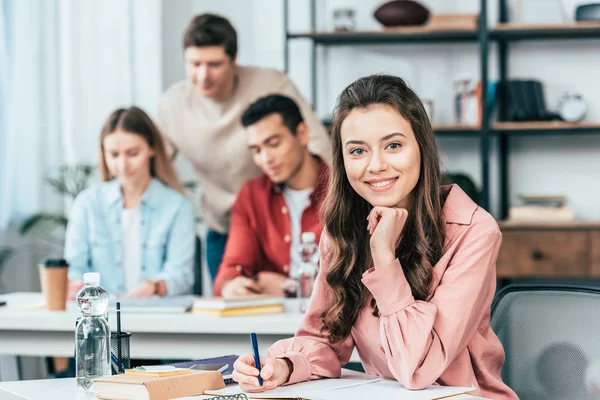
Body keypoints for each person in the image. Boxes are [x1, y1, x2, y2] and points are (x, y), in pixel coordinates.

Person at [231, 75, 518, 399]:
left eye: (393, 145)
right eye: (357, 151)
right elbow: (326, 340)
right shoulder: (341, 232)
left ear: (421, 147)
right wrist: (282, 366)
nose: (376, 165)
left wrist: (384, 256)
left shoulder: (474, 232)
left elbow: (418, 368)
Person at [157, 13, 331, 281]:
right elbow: (155, 169)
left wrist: (336, 202)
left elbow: (319, 146)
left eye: (214, 64)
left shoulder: (270, 84)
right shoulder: (172, 106)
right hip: (223, 226)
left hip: (279, 217)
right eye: (194, 64)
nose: (203, 76)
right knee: (232, 299)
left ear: (234, 59)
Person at [65, 107, 195, 299]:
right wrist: (75, 286)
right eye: (114, 155)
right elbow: (75, 268)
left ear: (152, 149)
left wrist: (154, 286)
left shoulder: (177, 207)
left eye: (133, 153)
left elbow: (180, 274)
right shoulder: (87, 204)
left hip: (155, 315)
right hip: (100, 317)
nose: (123, 165)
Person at [212, 94, 329, 298]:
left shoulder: (343, 190)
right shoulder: (252, 195)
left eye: (273, 144)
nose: (266, 159)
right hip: (274, 322)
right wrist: (232, 285)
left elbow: (354, 282)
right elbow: (231, 269)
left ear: (302, 134)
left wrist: (290, 287)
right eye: (256, 150)